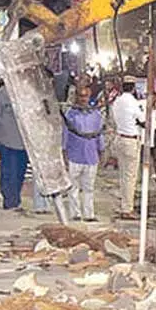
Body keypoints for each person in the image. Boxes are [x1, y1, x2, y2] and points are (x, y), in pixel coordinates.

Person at [63, 86, 104, 222]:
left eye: (85, 96)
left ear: (89, 97)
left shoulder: (96, 115)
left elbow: (99, 135)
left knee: (89, 188)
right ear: (76, 97)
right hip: (74, 155)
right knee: (73, 187)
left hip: (91, 156)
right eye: (80, 96)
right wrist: (64, 153)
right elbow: (65, 134)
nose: (83, 99)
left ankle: (89, 214)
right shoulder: (70, 114)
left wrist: (101, 151)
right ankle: (75, 214)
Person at [0, 82, 27, 210]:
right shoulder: (2, 94)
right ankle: (10, 202)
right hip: (7, 140)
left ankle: (14, 200)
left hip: (23, 140)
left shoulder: (25, 92)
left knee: (19, 172)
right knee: (10, 171)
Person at [111, 80, 145, 218]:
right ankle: (127, 209)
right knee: (130, 177)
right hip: (131, 140)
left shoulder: (117, 101)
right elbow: (143, 121)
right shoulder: (133, 102)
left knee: (123, 175)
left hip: (120, 138)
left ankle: (124, 205)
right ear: (133, 89)